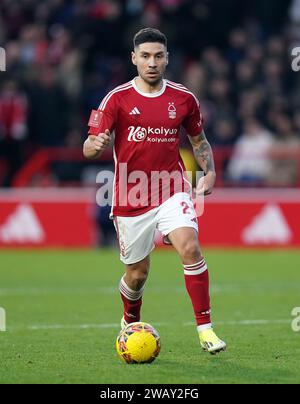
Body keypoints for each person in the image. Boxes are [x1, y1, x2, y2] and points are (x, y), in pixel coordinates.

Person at [83, 28, 226, 354]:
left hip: (172, 188)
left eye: (158, 56)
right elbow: (88, 147)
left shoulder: (184, 98)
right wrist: (95, 143)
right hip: (130, 197)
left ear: (167, 59)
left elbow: (199, 142)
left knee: (190, 247)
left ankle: (205, 329)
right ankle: (130, 318)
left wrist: (210, 172)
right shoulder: (115, 99)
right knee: (137, 273)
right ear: (134, 58)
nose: (152, 62)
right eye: (145, 56)